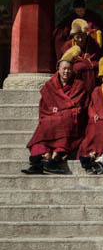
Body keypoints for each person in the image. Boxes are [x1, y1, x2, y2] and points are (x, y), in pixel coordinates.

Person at [22, 45, 88, 175]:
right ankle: (39, 160)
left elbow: (78, 105)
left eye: (69, 69)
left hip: (68, 119)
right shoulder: (50, 85)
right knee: (45, 123)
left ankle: (53, 159)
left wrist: (60, 109)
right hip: (52, 116)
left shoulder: (78, 85)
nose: (66, 72)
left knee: (66, 119)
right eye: (64, 69)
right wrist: (54, 110)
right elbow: (44, 106)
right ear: (58, 69)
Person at [59, 18, 102, 93]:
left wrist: (86, 64)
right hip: (75, 81)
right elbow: (63, 64)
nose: (80, 39)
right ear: (73, 36)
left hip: (92, 79)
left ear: (86, 34)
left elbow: (97, 60)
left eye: (82, 36)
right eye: (77, 37)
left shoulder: (92, 43)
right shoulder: (67, 46)